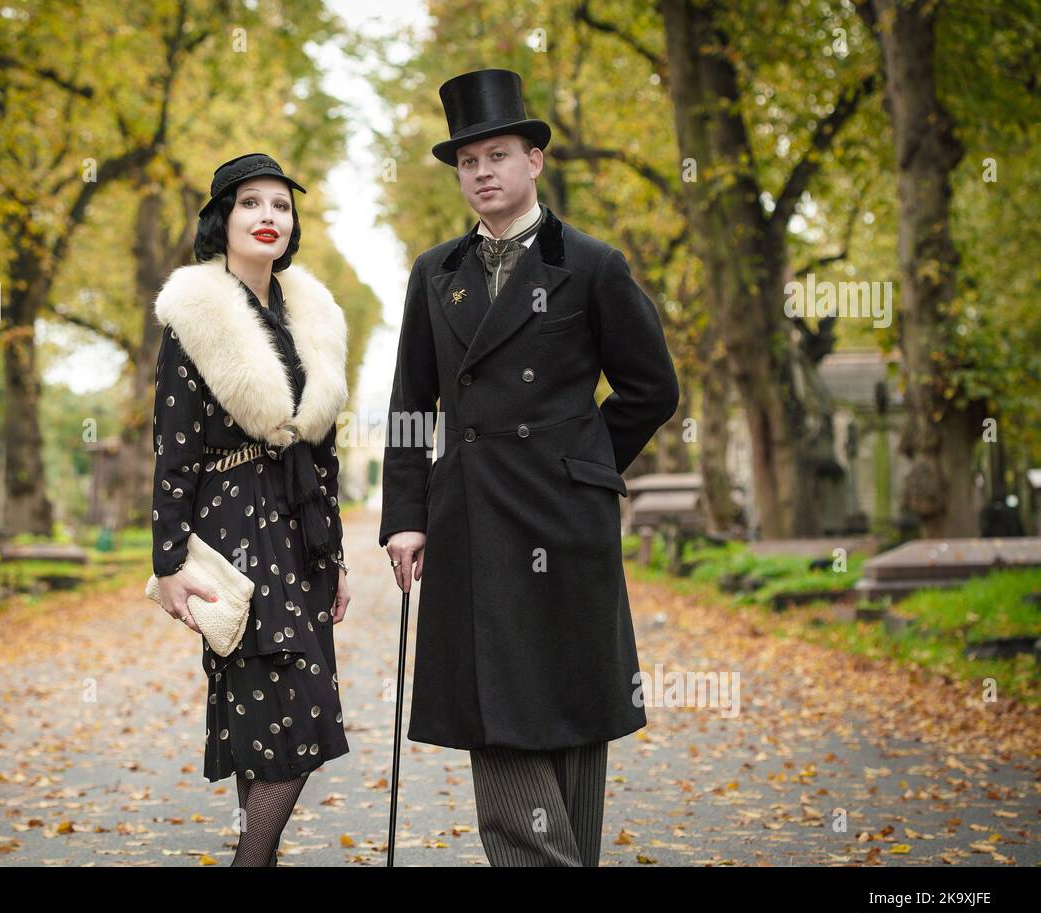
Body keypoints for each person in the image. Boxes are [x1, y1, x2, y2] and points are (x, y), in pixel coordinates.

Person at [380, 70, 680, 866]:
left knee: (576, 721)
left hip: (567, 525)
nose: (481, 172)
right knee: (499, 716)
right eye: (467, 161)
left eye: (497, 154)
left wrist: (583, 465)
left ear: (535, 161)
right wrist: (405, 515)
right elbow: (413, 401)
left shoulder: (591, 265)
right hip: (473, 523)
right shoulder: (433, 273)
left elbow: (652, 388)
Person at [151, 153, 352, 866]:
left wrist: (334, 556)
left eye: (281, 206)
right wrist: (168, 562)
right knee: (286, 712)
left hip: (298, 530)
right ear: (223, 220)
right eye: (251, 205)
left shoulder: (308, 315)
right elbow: (173, 447)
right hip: (232, 528)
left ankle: (255, 858)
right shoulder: (195, 317)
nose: (269, 217)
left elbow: (319, 451)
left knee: (267, 724)